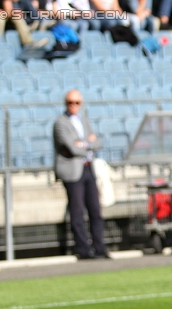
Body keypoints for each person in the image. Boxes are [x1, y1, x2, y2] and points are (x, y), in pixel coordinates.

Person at [53, 89, 109, 260]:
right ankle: (83, 250)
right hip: (72, 171)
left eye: (77, 102)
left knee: (95, 209)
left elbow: (98, 142)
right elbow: (71, 147)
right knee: (77, 212)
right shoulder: (60, 123)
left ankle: (100, 248)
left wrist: (83, 144)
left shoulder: (84, 121)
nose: (73, 106)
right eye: (70, 102)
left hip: (87, 168)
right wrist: (87, 144)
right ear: (66, 104)